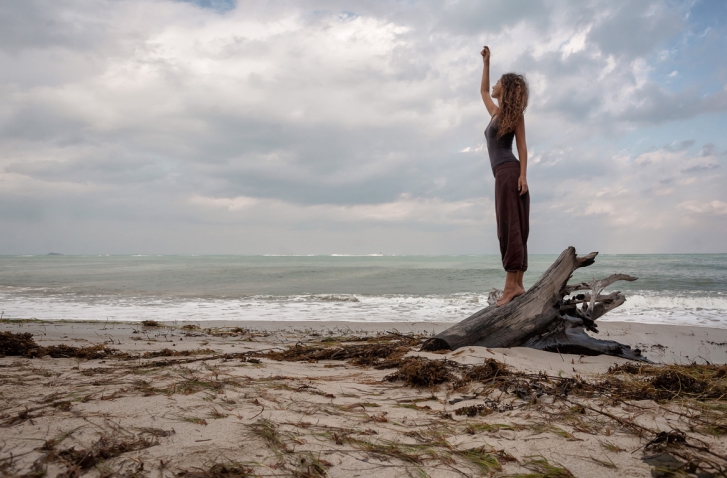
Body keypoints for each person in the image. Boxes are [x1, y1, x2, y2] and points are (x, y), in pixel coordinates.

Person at [480, 46, 530, 307]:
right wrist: (487, 64)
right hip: (504, 174)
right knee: (513, 227)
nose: (494, 85)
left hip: (509, 174)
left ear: (506, 89)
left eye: (498, 82)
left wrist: (523, 175)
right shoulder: (497, 114)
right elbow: (481, 91)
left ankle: (511, 287)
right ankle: (518, 284)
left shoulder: (514, 116)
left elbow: (522, 147)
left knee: (511, 227)